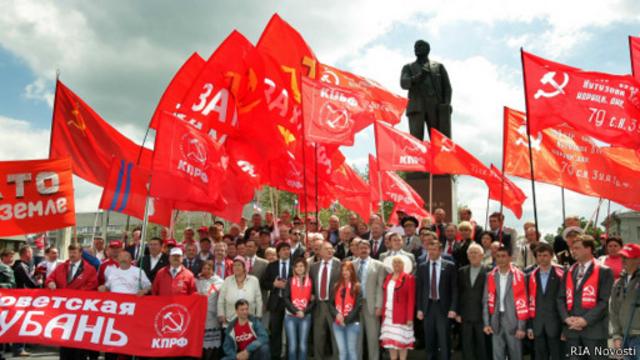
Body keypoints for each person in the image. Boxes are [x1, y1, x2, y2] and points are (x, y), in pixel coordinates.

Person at [558, 236, 614, 359]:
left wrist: (585, 320)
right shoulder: (569, 271)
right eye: (572, 248)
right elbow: (560, 298)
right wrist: (566, 319)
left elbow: (604, 302)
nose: (573, 251)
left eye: (577, 248)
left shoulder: (604, 271)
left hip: (594, 331)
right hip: (572, 331)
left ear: (588, 249)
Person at [45, 244, 98, 360]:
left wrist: (73, 295)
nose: (71, 255)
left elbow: (93, 285)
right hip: (64, 310)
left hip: (80, 311)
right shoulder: (61, 267)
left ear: (80, 253)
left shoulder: (89, 269)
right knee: (64, 340)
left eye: (74, 252)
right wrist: (50, 283)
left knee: (79, 343)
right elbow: (50, 278)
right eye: (70, 252)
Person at [482, 246, 527, 360]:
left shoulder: (520, 276)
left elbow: (524, 302)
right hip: (495, 320)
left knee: (516, 355)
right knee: (497, 355)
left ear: (510, 258)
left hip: (514, 321)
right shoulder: (490, 276)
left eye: (503, 256)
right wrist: (487, 323)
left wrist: (521, 327)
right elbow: (486, 300)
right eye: (498, 256)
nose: (500, 259)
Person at [401, 39, 452, 140]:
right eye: (415, 47)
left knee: (439, 141)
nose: (416, 48)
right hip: (416, 107)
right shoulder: (408, 67)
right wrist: (419, 76)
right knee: (415, 141)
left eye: (419, 46)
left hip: (435, 107)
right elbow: (404, 83)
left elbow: (447, 88)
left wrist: (446, 105)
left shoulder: (438, 67)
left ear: (427, 49)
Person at [416, 236, 457, 360]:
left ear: (440, 251)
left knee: (444, 338)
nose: (432, 252)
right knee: (429, 338)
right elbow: (420, 289)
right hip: (428, 307)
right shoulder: (422, 266)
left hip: (443, 307)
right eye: (430, 249)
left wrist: (453, 308)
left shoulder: (449, 266)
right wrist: (419, 309)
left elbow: (455, 289)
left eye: (434, 249)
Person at [526, 243, 564, 360]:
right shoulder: (530, 276)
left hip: (556, 324)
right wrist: (529, 326)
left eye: (545, 255)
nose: (542, 258)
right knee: (539, 356)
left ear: (551, 256)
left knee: (558, 355)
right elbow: (527, 303)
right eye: (539, 255)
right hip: (537, 325)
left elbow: (565, 302)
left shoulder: (561, 275)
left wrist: (565, 327)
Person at [353, 239, 386, 360]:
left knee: (372, 338)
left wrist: (379, 306)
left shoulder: (379, 265)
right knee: (357, 337)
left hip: (371, 305)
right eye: (361, 248)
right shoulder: (352, 264)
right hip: (355, 306)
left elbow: (380, 287)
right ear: (357, 249)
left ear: (370, 249)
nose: (363, 250)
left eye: (366, 248)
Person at [456, 243, 490, 360]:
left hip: (483, 316)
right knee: (467, 346)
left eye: (476, 252)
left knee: (482, 346)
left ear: (482, 255)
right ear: (467, 255)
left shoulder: (489, 271)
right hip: (465, 315)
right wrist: (457, 312)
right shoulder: (461, 271)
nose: (473, 255)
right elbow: (458, 293)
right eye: (471, 253)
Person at [309, 241, 342, 359]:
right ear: (320, 252)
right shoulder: (313, 267)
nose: (330, 251)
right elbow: (311, 285)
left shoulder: (340, 264)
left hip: (333, 306)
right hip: (318, 305)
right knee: (318, 337)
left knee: (336, 337)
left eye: (331, 249)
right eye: (326, 249)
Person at [261, 242, 293, 360]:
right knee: (275, 332)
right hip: (276, 303)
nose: (286, 251)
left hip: (292, 303)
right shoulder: (271, 265)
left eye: (288, 249)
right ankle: (275, 356)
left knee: (291, 333)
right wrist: (274, 284)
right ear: (278, 252)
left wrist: (288, 286)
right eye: (283, 249)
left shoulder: (295, 265)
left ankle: (290, 355)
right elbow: (263, 283)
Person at [380, 256, 415, 360]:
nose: (396, 265)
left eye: (399, 263)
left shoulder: (409, 278)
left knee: (401, 341)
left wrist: (409, 317)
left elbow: (411, 299)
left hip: (402, 315)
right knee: (391, 341)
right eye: (394, 263)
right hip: (389, 314)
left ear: (404, 265)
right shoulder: (388, 277)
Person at [610, 243, 640, 357]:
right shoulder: (618, 282)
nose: (623, 260)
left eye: (627, 258)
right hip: (624, 338)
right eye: (622, 257)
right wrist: (617, 336)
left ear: (638, 259)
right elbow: (614, 311)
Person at [329, 261, 362, 360]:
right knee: (342, 352)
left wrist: (346, 320)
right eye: (343, 270)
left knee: (351, 351)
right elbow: (330, 304)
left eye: (347, 270)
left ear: (352, 271)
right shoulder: (336, 286)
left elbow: (357, 307)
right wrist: (337, 315)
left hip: (352, 323)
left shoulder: (357, 286)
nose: (345, 272)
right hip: (337, 323)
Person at [283, 258, 315, 360]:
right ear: (294, 269)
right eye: (297, 266)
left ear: (305, 267)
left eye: (301, 266)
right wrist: (296, 311)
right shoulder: (290, 280)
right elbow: (286, 298)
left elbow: (313, 300)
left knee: (303, 345)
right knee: (292, 345)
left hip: (305, 316)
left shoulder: (310, 281)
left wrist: (304, 312)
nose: (299, 268)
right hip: (290, 316)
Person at [218, 257, 263, 324]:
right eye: (234, 265)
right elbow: (221, 299)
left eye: (239, 265)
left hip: (249, 319)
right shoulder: (227, 280)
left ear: (244, 267)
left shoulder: (254, 280)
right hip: (230, 320)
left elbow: (258, 300)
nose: (236, 267)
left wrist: (258, 316)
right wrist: (221, 314)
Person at [197, 261, 225, 360]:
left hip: (214, 317)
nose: (206, 270)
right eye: (204, 268)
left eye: (209, 268)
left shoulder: (220, 282)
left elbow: (222, 299)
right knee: (201, 344)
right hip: (200, 317)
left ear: (213, 269)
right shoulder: (198, 281)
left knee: (213, 344)